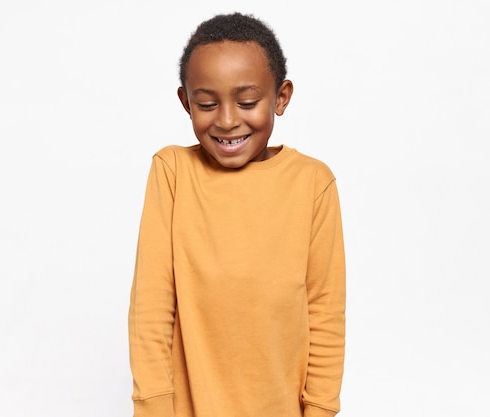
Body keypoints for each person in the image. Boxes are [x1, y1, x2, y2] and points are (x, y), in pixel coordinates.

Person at [128, 12, 346, 417]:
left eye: (247, 102)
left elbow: (325, 312)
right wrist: (154, 408)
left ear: (281, 97)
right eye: (207, 104)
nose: (227, 121)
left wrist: (319, 410)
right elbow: (151, 308)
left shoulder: (313, 183)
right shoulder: (173, 172)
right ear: (185, 102)